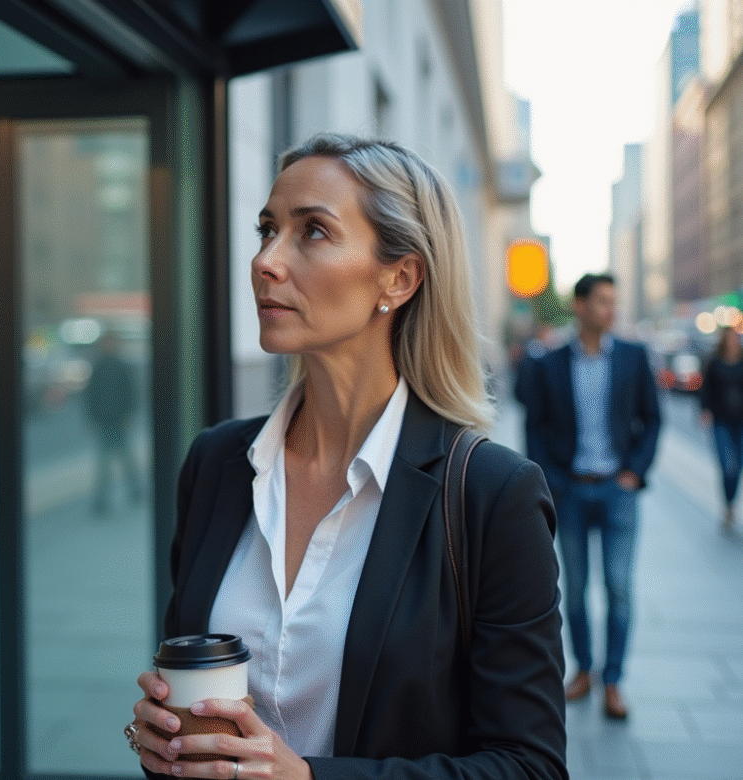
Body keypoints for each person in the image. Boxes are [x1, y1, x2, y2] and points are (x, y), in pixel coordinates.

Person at [125, 133, 566, 780]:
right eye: (267, 229)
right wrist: (164, 734)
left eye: (313, 233)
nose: (266, 261)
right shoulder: (217, 463)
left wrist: (308, 779)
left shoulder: (492, 495)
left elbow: (529, 767)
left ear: (400, 276)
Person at [523, 272, 661, 720]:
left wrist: (634, 474)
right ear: (579, 306)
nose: (611, 309)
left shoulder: (635, 357)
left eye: (613, 301)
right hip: (572, 491)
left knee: (618, 589)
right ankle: (583, 671)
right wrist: (553, 482)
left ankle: (614, 681)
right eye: (602, 301)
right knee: (576, 590)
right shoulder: (552, 362)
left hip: (618, 491)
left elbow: (652, 420)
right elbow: (535, 427)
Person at [84, 330, 142, 514]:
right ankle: (107, 498)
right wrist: (91, 418)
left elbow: (130, 392)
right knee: (108, 461)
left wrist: (129, 414)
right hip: (107, 420)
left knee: (119, 459)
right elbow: (91, 395)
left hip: (115, 419)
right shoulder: (106, 365)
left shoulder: (110, 365)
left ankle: (131, 491)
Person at [700, 327, 743, 529]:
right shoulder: (714, 362)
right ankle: (728, 505)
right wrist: (705, 410)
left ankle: (731, 503)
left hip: (741, 421)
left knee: (738, 465)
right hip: (721, 421)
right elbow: (705, 389)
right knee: (728, 466)